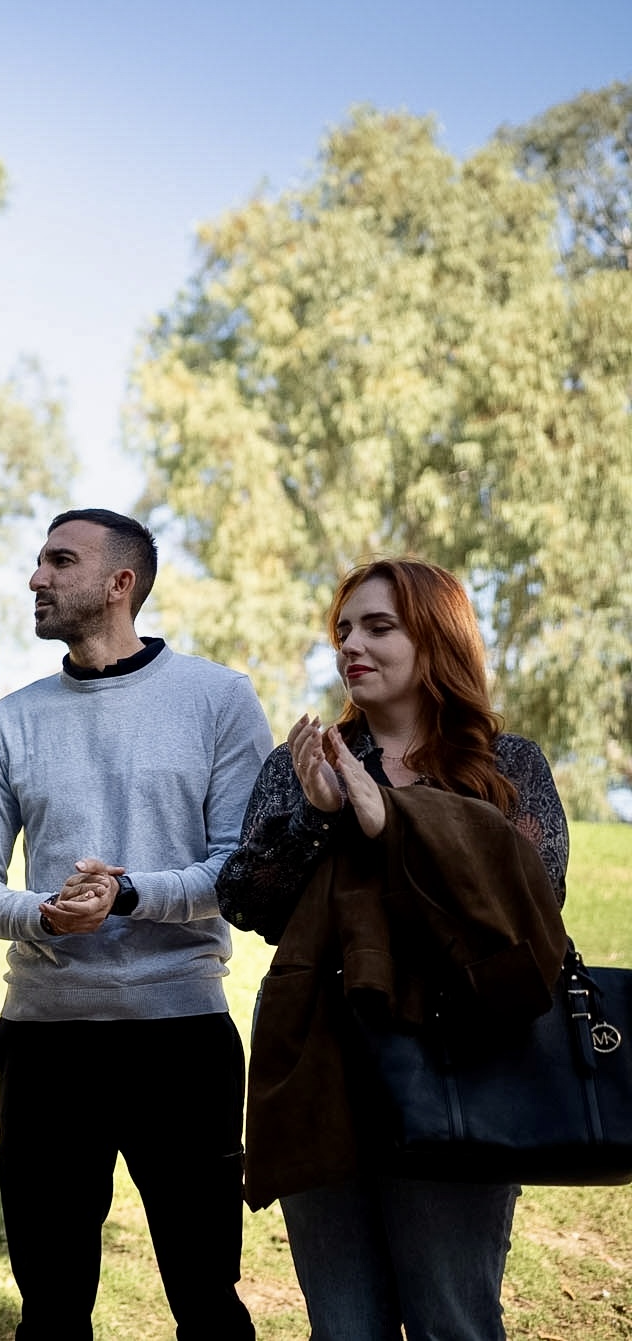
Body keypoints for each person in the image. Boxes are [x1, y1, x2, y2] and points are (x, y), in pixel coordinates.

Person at [218, 557, 570, 1341]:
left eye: (379, 626)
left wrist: (396, 819)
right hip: (324, 1071)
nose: (351, 645)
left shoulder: (508, 768)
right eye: (343, 629)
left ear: (435, 637)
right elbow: (245, 899)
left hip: (463, 1070)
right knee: (344, 1329)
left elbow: (533, 906)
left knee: (454, 1321)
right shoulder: (302, 763)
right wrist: (314, 814)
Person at [0, 508, 269, 1341]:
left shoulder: (219, 698)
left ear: (120, 583)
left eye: (60, 561)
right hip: (46, 1045)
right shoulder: (11, 717)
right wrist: (45, 914)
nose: (36, 578)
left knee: (206, 1296)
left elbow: (240, 871)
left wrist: (130, 895)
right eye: (39, 560)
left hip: (182, 1039)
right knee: (50, 1306)